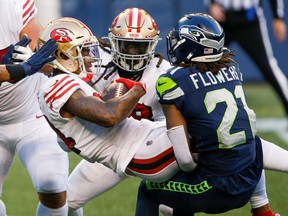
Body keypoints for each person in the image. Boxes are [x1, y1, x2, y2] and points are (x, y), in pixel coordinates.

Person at [36, 16, 199, 216]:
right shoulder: (58, 85)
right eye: (83, 50)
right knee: (210, 134)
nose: (90, 56)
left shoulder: (63, 81)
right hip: (134, 150)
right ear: (64, 55)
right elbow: (109, 116)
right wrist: (136, 89)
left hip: (143, 137)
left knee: (66, 202)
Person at [135, 13, 284, 216]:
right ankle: (262, 209)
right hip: (250, 181)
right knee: (249, 142)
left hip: (216, 189)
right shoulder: (231, 68)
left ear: (190, 46)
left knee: (148, 189)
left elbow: (185, 161)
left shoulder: (171, 81)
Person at [66, 7, 174, 216]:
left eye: (138, 46)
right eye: (127, 44)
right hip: (112, 147)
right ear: (113, 42)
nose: (131, 52)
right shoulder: (97, 62)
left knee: (175, 206)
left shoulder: (164, 74)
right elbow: (65, 61)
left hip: (156, 146)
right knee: (66, 199)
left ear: (152, 46)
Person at [0, 0, 69, 215]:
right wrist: (18, 69)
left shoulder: (12, 7)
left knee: (52, 184)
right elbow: (13, 72)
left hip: (32, 114)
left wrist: (36, 61)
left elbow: (50, 60)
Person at [205, 0, 288, 118]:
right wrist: (212, 4)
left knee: (269, 67)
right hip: (221, 19)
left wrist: (277, 16)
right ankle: (196, 115)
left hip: (249, 19)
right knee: (204, 63)